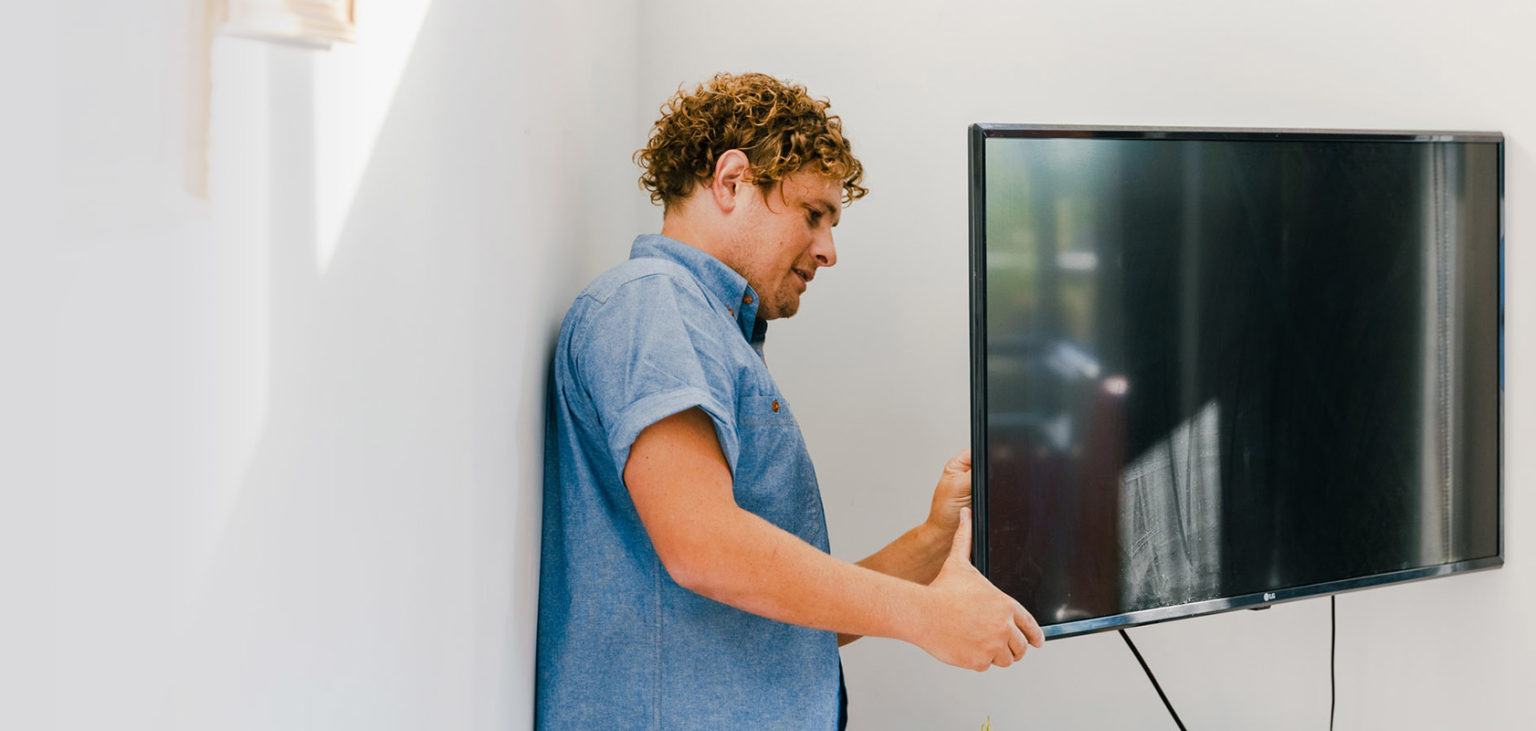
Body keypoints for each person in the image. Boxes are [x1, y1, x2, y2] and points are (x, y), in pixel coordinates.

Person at [536, 72, 1043, 729]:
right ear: (731, 180)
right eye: (813, 214)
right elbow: (705, 547)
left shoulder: (708, 329)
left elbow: (775, 618)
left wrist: (934, 538)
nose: (829, 250)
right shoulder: (651, 304)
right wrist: (927, 616)